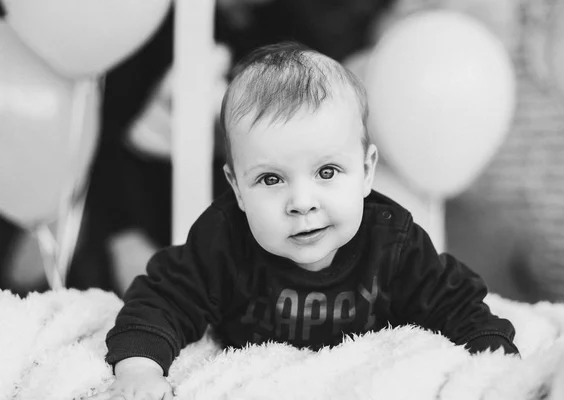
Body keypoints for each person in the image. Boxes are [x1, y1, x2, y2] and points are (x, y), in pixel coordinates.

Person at [92, 42, 519, 400]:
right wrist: (140, 371)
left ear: (367, 171)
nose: (301, 202)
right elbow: (163, 299)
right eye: (271, 178)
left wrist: (493, 365)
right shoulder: (223, 239)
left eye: (327, 172)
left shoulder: (392, 239)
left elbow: (455, 302)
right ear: (237, 187)